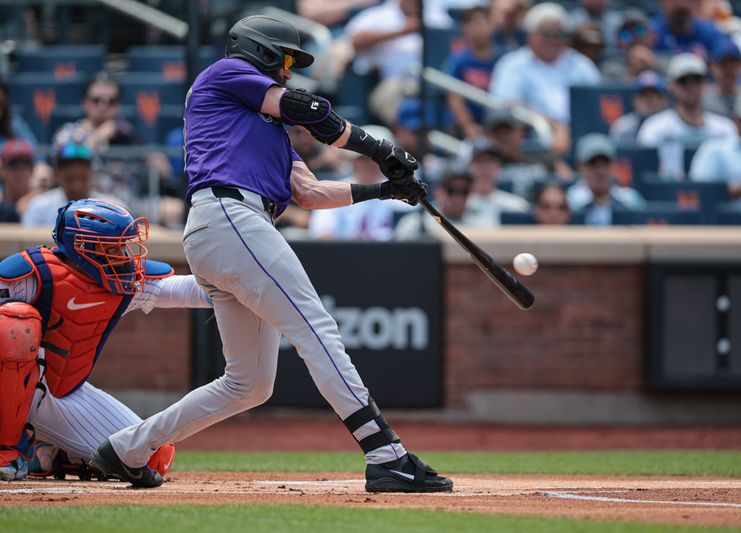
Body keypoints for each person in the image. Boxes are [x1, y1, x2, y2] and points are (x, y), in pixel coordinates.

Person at [90, 16, 451, 494]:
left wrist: (383, 189)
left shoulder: (271, 133)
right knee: (315, 325)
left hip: (227, 229)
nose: (286, 71)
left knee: (249, 384)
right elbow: (308, 107)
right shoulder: (224, 74)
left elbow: (310, 193)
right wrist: (379, 147)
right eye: (283, 60)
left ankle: (125, 449)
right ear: (258, 51)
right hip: (229, 216)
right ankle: (386, 455)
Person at [0, 198, 210, 481]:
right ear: (83, 247)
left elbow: (187, 290)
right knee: (13, 323)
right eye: (113, 248)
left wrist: (246, 287)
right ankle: (5, 450)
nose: (124, 256)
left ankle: (59, 452)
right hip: (14, 386)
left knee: (149, 456)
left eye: (124, 247)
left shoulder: (121, 282)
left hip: (61, 392)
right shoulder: (33, 274)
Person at [489, 2, 601, 155]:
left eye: (560, 33)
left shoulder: (582, 65)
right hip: (531, 140)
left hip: (583, 136)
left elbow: (599, 103)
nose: (554, 39)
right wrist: (555, 127)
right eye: (548, 32)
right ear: (530, 35)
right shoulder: (512, 65)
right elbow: (508, 106)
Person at [637, 53, 736, 180]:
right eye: (683, 81)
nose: (691, 87)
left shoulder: (725, 128)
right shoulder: (655, 127)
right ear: (672, 86)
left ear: (704, 84)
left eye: (696, 80)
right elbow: (646, 167)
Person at [308, 126, 405, 241]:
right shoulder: (334, 189)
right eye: (364, 158)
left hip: (391, 255)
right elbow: (322, 233)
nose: (370, 163)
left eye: (377, 159)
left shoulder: (401, 190)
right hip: (344, 254)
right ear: (353, 161)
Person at [21, 143, 122, 227]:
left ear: (92, 174)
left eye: (83, 178)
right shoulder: (39, 207)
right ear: (57, 174)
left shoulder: (112, 210)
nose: (76, 185)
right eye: (69, 178)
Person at [445, 6, 504, 140]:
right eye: (476, 23)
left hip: (498, 123)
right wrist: (468, 125)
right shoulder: (458, 59)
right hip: (466, 126)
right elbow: (453, 96)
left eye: (485, 22)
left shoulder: (503, 58)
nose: (482, 28)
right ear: (465, 28)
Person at [567, 133, 646, 226]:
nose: (600, 171)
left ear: (614, 165)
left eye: (605, 163)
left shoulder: (630, 200)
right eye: (592, 163)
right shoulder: (568, 202)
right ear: (580, 167)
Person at [52, 74, 137, 151]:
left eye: (111, 101)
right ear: (85, 103)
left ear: (118, 105)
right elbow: (65, 162)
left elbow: (146, 162)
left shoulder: (127, 134)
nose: (103, 106)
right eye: (96, 100)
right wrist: (97, 137)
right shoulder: (67, 133)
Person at [395, 171, 481, 239]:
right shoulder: (416, 223)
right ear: (438, 192)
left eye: (464, 191)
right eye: (451, 190)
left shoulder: (480, 223)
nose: (457, 197)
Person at [466, 141, 530, 227]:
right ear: (470, 166)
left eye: (491, 161)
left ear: (499, 167)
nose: (485, 168)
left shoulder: (516, 205)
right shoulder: (456, 203)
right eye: (480, 161)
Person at [609, 71, 669, 145]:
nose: (648, 100)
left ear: (663, 100)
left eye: (653, 96)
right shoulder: (623, 127)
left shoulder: (671, 127)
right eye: (644, 95)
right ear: (634, 100)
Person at [652, 0, 724, 58]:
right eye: (674, 1)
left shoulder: (708, 31)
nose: (681, 4)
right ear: (662, 2)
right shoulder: (653, 32)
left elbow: (725, 49)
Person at [702, 39, 741, 117]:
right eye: (724, 65)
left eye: (734, 65)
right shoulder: (702, 97)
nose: (729, 71)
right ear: (712, 67)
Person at [0, 140, 35, 222]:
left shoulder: (41, 203)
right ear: (2, 170)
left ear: (32, 169)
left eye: (25, 163)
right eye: (13, 163)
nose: (19, 169)